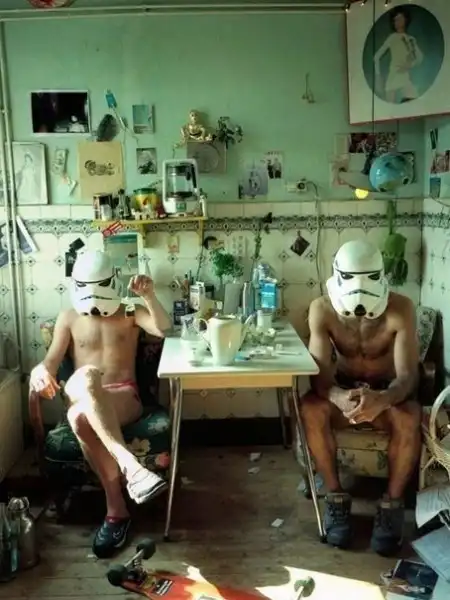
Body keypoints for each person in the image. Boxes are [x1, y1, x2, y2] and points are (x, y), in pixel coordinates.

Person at [29, 249, 172, 558]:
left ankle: (116, 511)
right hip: (81, 392)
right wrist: (40, 371)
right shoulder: (69, 317)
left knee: (79, 416)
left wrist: (148, 296)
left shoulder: (130, 311)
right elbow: (51, 362)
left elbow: (163, 328)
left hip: (123, 397)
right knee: (86, 379)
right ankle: (132, 471)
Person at [301, 240, 421, 556]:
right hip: (344, 392)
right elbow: (318, 373)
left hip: (386, 394)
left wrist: (383, 399)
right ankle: (335, 497)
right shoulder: (322, 309)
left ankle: (392, 503)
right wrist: (338, 395)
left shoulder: (401, 308)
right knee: (310, 408)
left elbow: (408, 376)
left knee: (410, 415)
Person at [373, 7, 423, 104]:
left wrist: (410, 65)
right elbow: (376, 57)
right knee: (389, 106)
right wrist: (378, 77)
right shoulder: (392, 37)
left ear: (405, 20)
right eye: (395, 20)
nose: (397, 22)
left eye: (400, 19)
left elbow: (420, 58)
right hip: (393, 76)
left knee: (414, 101)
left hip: (405, 77)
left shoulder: (411, 39)